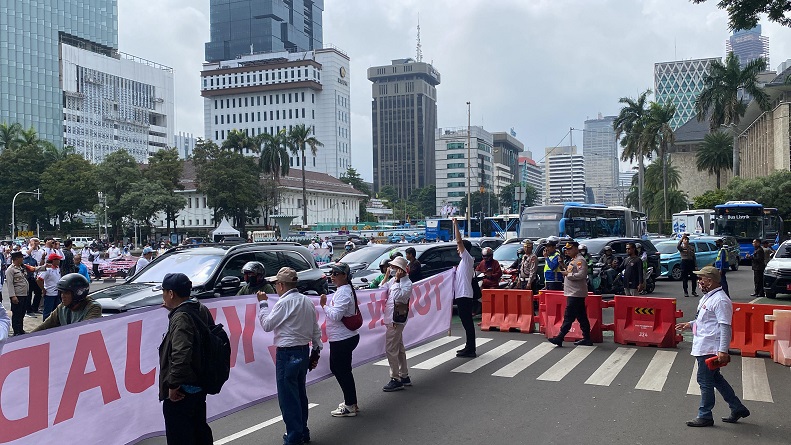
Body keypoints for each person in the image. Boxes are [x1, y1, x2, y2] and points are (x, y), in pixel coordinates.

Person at [675, 266, 750, 427]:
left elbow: (725, 327)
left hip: (710, 348)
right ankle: (737, 407)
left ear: (710, 281)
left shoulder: (721, 300)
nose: (699, 282)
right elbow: (706, 321)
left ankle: (705, 415)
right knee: (715, 379)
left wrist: (723, 350)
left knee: (704, 381)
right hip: (704, 344)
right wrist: (690, 324)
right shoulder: (709, 297)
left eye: (701, 279)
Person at [258, 267, 322, 445]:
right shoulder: (306, 301)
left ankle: (294, 437)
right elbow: (315, 328)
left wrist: (263, 304)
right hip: (303, 350)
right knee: (300, 394)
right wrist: (316, 350)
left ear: (280, 285)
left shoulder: (284, 303)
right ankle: (302, 431)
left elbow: (267, 325)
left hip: (287, 353)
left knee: (288, 398)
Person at [158, 272, 215, 444]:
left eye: (163, 292)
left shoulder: (181, 317)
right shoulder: (198, 308)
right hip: (199, 385)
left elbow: (181, 354)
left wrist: (173, 385)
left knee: (180, 437)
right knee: (198, 431)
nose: (162, 296)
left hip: (183, 391)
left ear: (171, 294)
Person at [320, 263, 360, 417]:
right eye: (332, 273)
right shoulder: (344, 290)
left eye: (336, 274)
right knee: (344, 370)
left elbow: (336, 315)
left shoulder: (343, 292)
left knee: (339, 370)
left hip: (342, 338)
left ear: (344, 275)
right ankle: (351, 402)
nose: (332, 276)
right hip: (344, 337)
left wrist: (324, 306)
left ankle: (350, 404)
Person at [548, 241, 592, 347]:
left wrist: (568, 274)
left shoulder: (580, 260)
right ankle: (587, 338)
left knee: (569, 316)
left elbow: (581, 275)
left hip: (576, 293)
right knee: (581, 317)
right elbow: (569, 271)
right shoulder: (573, 260)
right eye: (566, 249)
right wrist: (563, 265)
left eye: (570, 249)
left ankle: (560, 337)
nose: (567, 251)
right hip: (572, 292)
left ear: (576, 249)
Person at [380, 256, 413, 392]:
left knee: (391, 349)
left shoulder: (407, 283)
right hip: (391, 318)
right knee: (398, 348)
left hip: (396, 320)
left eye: (394, 268)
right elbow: (381, 288)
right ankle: (404, 375)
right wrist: (388, 276)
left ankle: (395, 378)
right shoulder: (393, 280)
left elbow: (400, 297)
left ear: (400, 269)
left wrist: (398, 281)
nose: (392, 269)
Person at [32, 273, 101, 332]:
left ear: (78, 293)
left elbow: (86, 330)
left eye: (66, 293)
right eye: (61, 292)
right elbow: (44, 327)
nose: (62, 296)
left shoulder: (93, 307)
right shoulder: (62, 308)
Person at [452, 217, 477, 358]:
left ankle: (471, 348)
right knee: (466, 322)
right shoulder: (463, 262)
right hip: (462, 295)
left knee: (467, 322)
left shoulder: (467, 258)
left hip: (465, 295)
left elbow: (459, 241)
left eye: (459, 248)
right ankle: (469, 346)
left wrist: (456, 225)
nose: (457, 249)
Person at [4, 251, 29, 335]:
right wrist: (13, 296)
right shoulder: (10, 270)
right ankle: (16, 331)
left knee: (22, 313)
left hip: (24, 294)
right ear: (17, 259)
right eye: (21, 257)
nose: (23, 259)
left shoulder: (21, 267)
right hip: (17, 295)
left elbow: (33, 269)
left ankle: (20, 329)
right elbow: (10, 284)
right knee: (16, 314)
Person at [37, 253, 62, 320]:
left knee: (57, 311)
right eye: (58, 260)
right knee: (47, 312)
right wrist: (43, 289)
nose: (59, 261)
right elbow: (39, 280)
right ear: (53, 260)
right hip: (49, 293)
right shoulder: (47, 269)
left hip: (57, 293)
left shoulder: (57, 268)